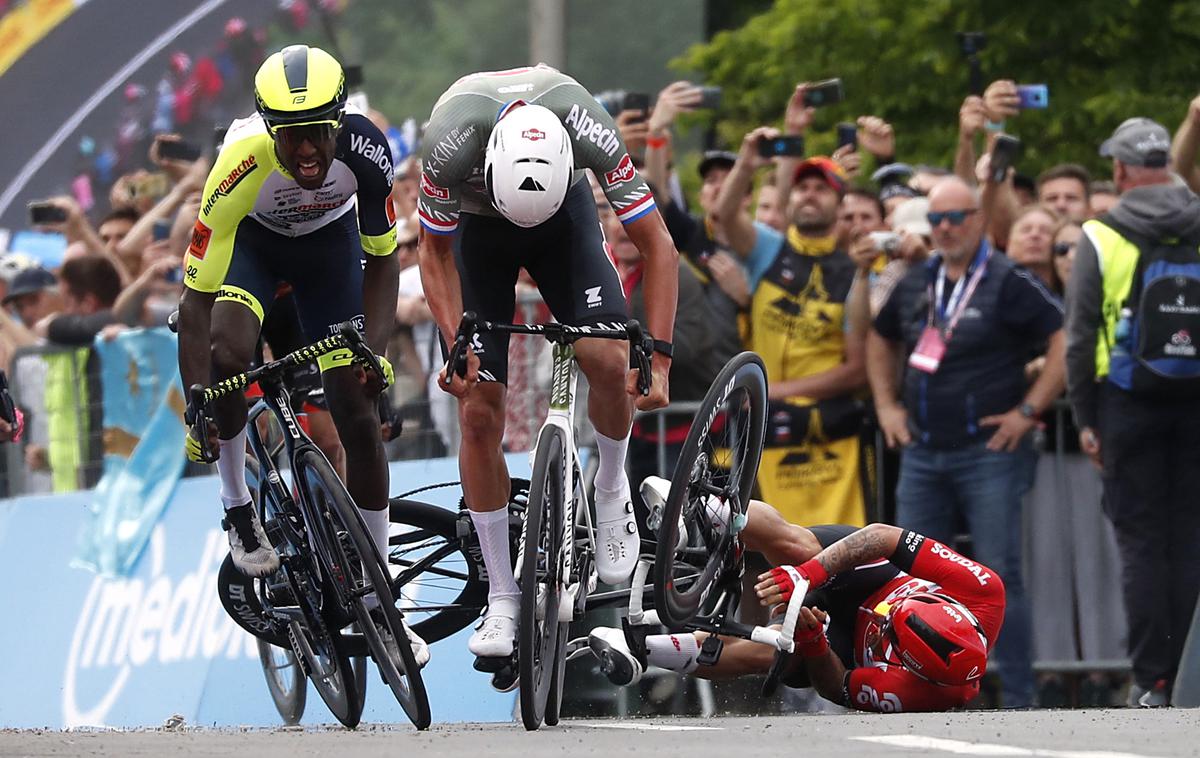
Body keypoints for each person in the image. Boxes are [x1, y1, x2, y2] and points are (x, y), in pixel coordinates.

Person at [416, 64, 677, 664]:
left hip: (564, 225)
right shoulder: (450, 141)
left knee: (610, 360)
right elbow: (433, 252)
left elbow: (659, 246)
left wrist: (659, 360)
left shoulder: (589, 127)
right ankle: (503, 596)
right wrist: (460, 342)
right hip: (477, 234)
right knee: (479, 408)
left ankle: (611, 489)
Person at [174, 44, 423, 663]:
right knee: (229, 357)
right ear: (269, 131)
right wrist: (196, 399)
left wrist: (375, 353)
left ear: (337, 123)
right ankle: (237, 506)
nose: (307, 150)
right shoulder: (238, 164)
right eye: (292, 137)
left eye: (317, 133)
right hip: (252, 250)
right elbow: (196, 301)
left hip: (327, 252)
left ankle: (377, 589)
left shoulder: (367, 152)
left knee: (355, 409)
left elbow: (384, 260)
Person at [867, 175, 1066, 708]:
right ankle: (922, 689)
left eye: (957, 216)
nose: (946, 227)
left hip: (987, 454)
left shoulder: (1006, 278)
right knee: (909, 578)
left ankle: (1020, 695)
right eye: (935, 218)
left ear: (978, 219)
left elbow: (1063, 335)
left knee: (999, 575)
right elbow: (878, 336)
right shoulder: (915, 279)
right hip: (923, 452)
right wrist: (887, 405)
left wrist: (1028, 411)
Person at [589, 489, 1004, 713]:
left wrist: (814, 641)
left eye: (888, 637)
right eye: (894, 617)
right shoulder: (984, 591)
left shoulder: (919, 695)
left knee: (773, 651)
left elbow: (837, 688)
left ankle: (640, 650)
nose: (885, 622)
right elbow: (883, 536)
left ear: (916, 672)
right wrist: (808, 573)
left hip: (839, 644)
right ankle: (700, 511)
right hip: (873, 580)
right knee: (799, 545)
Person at [1065, 117, 1200, 707]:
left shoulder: (1100, 233)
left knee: (1142, 543)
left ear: (1119, 171)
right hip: (1196, 401)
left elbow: (1078, 336)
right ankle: (1195, 674)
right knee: (1192, 538)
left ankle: (1153, 679)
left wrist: (1086, 419)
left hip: (1126, 404)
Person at [713, 125, 869, 528]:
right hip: (760, 430)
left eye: (822, 188)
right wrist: (747, 163)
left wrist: (779, 391)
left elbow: (857, 368)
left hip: (828, 438)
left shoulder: (855, 272)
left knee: (836, 551)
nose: (809, 194)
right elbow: (726, 216)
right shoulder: (769, 248)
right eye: (802, 188)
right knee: (755, 555)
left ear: (840, 202)